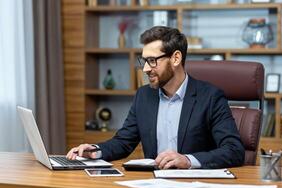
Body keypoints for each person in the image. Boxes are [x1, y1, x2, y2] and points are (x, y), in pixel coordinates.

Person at [66, 26, 245, 169]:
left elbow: (233, 150)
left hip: (195, 187)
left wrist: (188, 160)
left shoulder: (210, 97)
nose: (145, 69)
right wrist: (95, 151)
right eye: (144, 61)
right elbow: (123, 142)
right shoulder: (144, 96)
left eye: (152, 61)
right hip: (153, 186)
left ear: (175, 58)